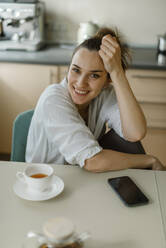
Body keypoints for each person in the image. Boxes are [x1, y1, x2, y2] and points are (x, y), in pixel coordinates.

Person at [25, 27, 165, 172]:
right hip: (47, 181)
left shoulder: (105, 93)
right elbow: (92, 162)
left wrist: (117, 72)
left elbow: (135, 133)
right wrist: (149, 160)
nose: (80, 83)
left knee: (128, 144)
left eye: (94, 75)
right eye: (76, 70)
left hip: (81, 175)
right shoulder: (53, 99)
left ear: (107, 80)